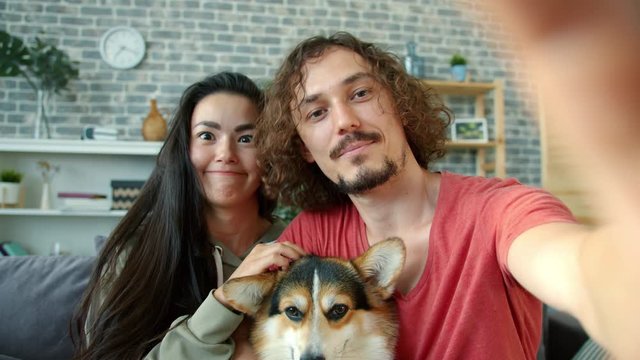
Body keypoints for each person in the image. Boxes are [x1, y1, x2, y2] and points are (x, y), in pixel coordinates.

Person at [255, 17, 640, 360]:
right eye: (317, 112)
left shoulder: (500, 212)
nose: (345, 121)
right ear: (304, 147)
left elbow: (580, 273)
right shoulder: (312, 237)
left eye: (360, 93)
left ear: (398, 103)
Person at [71, 72, 305, 360]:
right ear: (184, 149)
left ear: (268, 152)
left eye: (247, 138)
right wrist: (224, 303)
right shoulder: (135, 252)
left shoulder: (297, 246)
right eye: (207, 136)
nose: (225, 153)